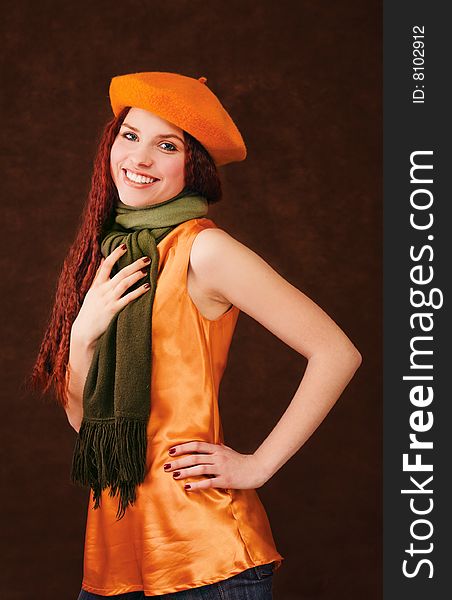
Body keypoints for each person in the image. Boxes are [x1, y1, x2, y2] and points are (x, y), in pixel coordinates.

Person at [30, 71, 362, 599]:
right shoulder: (114, 253)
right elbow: (83, 427)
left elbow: (336, 352)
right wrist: (84, 336)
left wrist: (257, 465)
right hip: (116, 557)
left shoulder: (205, 251)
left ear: (194, 165)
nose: (139, 158)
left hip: (207, 558)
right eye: (130, 136)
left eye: (167, 145)